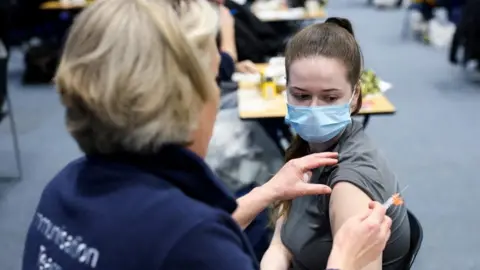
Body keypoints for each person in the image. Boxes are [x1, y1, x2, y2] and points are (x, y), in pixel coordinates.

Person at [21, 1, 391, 270]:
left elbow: (150, 244)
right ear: (184, 99)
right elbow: (180, 243)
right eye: (215, 80)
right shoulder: (195, 240)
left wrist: (265, 194)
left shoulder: (63, 187)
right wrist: (344, 259)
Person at [261, 18, 411, 270]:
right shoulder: (309, 149)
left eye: (330, 97)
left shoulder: (349, 184)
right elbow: (280, 243)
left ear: (354, 97)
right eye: (300, 95)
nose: (313, 109)